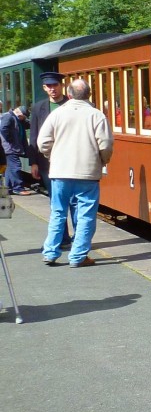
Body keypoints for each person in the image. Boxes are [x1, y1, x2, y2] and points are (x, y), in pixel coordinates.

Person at [37, 78, 113, 267]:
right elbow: (106, 144)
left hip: (60, 172)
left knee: (58, 212)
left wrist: (51, 156)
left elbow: (42, 142)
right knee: (86, 215)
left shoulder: (57, 114)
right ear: (88, 95)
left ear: (69, 94)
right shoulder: (97, 115)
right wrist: (102, 160)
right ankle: (78, 256)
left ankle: (51, 252)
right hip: (87, 173)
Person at [28, 71, 67, 192]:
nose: (52, 89)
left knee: (71, 197)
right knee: (54, 195)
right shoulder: (38, 108)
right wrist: (33, 163)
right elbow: (34, 135)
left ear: (61, 86)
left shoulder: (71, 104)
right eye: (49, 86)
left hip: (68, 158)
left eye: (55, 85)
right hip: (46, 161)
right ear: (44, 88)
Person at [0, 105, 32, 195]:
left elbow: (26, 124)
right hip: (10, 148)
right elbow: (3, 129)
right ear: (19, 113)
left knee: (10, 169)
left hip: (11, 148)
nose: (23, 119)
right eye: (23, 116)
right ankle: (18, 188)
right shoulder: (8, 117)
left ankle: (9, 188)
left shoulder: (15, 118)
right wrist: (10, 140)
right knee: (15, 167)